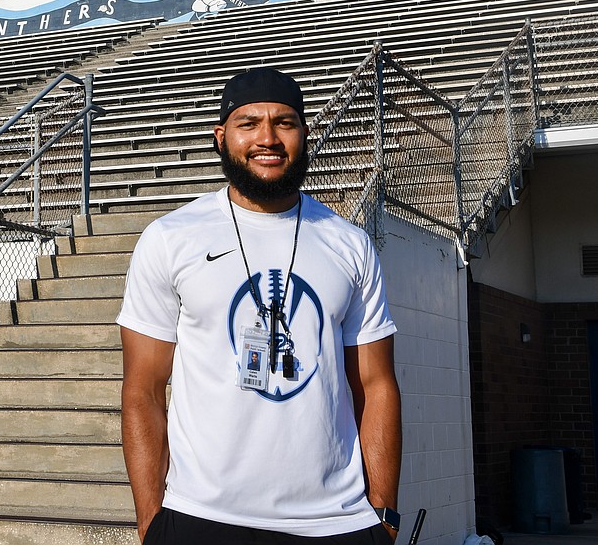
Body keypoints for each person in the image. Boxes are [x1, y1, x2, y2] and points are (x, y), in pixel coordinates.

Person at [118, 66, 402, 545]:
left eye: (284, 123)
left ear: (304, 134)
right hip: (200, 517)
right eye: (248, 123)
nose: (267, 138)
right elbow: (143, 388)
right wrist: (151, 520)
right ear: (221, 136)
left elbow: (376, 386)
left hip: (336, 522)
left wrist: (384, 515)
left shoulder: (348, 244)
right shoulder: (171, 240)